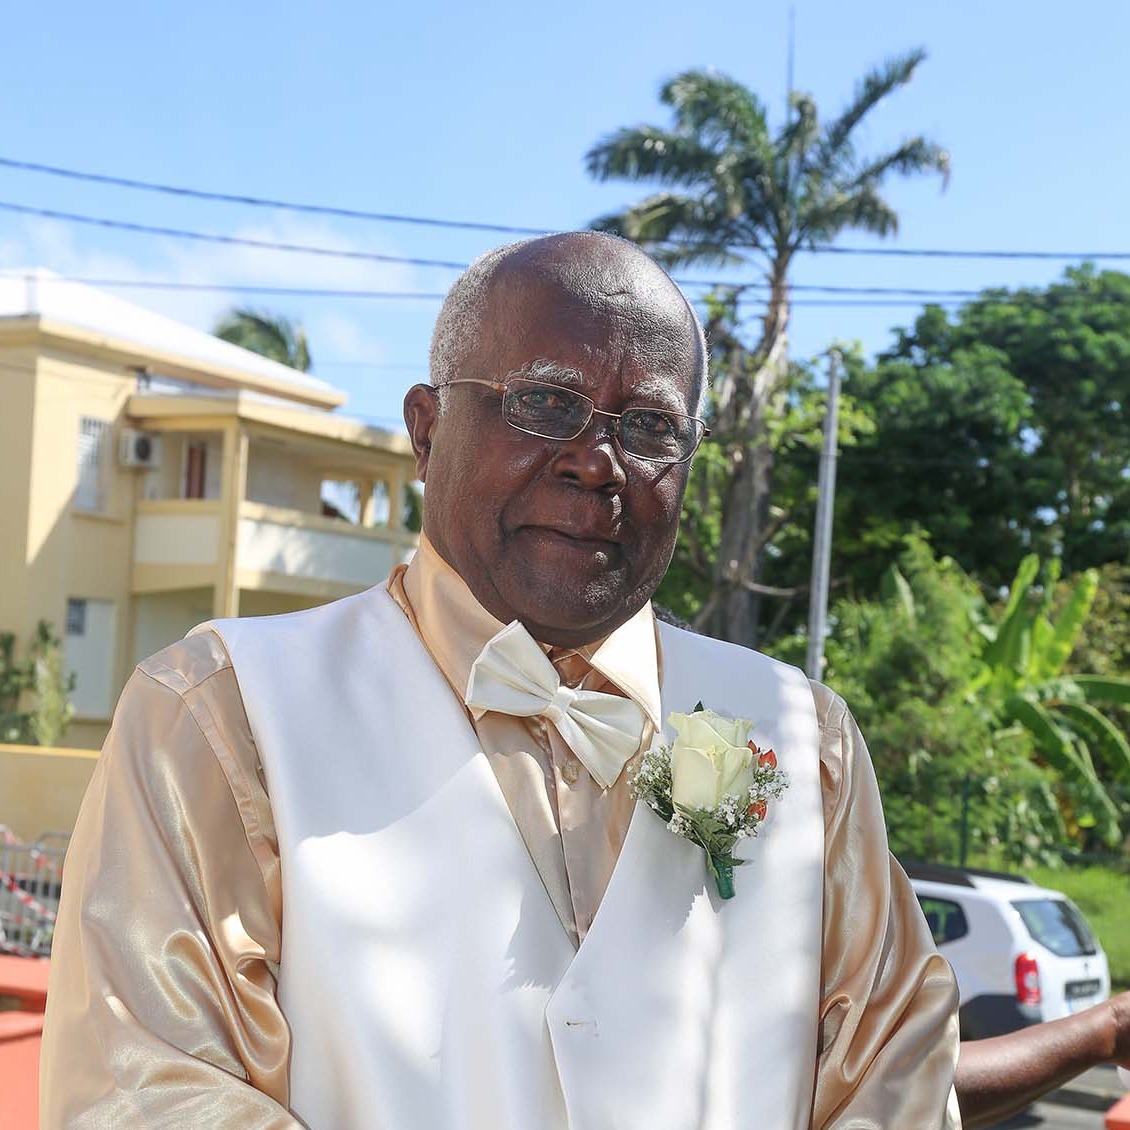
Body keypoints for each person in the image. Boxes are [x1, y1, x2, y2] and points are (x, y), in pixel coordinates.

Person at [40, 232, 961, 1128]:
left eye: (651, 427)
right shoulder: (221, 714)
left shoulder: (804, 738)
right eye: (546, 403)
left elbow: (894, 1073)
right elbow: (147, 1089)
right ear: (426, 430)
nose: (596, 462)